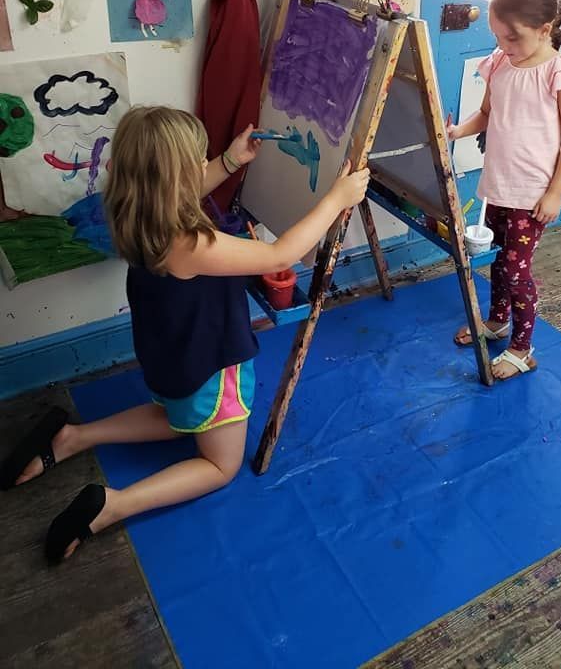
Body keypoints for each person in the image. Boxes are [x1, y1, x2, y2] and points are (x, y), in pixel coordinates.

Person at [0, 106, 369, 563]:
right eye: (197, 161)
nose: (202, 166)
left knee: (176, 415)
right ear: (176, 178)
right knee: (220, 464)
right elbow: (279, 255)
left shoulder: (130, 211)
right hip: (210, 362)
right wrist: (335, 199)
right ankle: (114, 505)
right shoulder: (190, 244)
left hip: (168, 352)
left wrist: (229, 162)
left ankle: (72, 437)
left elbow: (176, 188)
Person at [448, 0, 561, 380]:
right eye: (497, 36)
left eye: (512, 38)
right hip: (499, 185)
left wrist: (556, 192)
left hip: (533, 195)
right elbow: (487, 114)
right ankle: (498, 322)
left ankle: (522, 349)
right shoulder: (499, 62)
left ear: (544, 30)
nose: (503, 45)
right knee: (498, 262)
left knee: (516, 271)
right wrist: (457, 131)